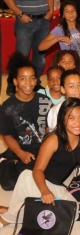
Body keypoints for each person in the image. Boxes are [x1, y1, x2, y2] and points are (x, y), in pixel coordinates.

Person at [0, 98, 80, 228]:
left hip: (55, 183)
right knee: (45, 215)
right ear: (63, 120)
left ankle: (10, 210)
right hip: (33, 179)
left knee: (72, 212)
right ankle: (5, 219)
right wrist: (44, 191)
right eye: (71, 118)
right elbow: (37, 170)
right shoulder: (53, 139)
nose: (77, 123)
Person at [0, 52, 52, 188]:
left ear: (36, 81)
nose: (28, 83)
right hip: (20, 148)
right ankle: (5, 160)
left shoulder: (45, 101)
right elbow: (6, 135)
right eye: (23, 79)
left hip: (42, 148)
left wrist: (46, 150)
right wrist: (21, 153)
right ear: (15, 81)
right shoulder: (7, 107)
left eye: (32, 78)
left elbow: (49, 129)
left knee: (52, 176)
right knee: (9, 184)